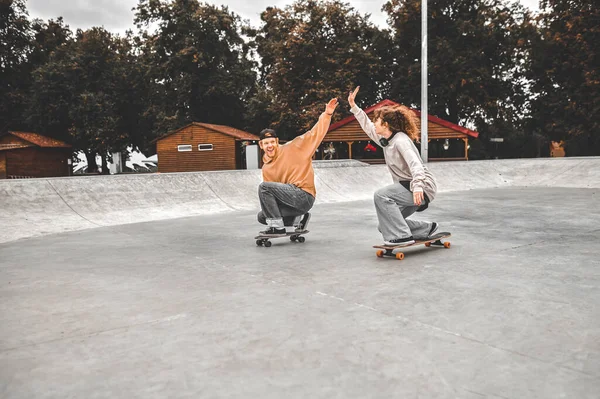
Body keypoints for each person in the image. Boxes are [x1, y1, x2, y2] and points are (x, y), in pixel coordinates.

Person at [348, 86, 439, 246]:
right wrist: (354, 107)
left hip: (421, 187)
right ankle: (426, 229)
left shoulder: (401, 141)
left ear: (386, 124)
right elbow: (368, 127)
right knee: (385, 225)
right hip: (407, 187)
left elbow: (416, 165)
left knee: (380, 195)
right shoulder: (386, 140)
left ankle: (402, 237)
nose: (374, 123)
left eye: (377, 121)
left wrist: (418, 186)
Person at [257, 98, 339, 235]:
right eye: (266, 143)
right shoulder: (266, 168)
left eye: (272, 142)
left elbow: (315, 134)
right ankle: (296, 220)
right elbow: (275, 194)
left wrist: (327, 114)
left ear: (277, 142)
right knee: (262, 216)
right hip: (291, 203)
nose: (270, 146)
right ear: (261, 145)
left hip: (304, 195)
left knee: (264, 187)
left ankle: (278, 227)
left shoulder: (294, 147)